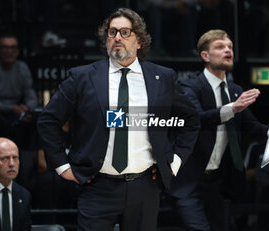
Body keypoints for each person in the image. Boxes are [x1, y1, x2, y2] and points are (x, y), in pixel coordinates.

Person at [37, 8, 199, 231]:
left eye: (124, 32)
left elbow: (190, 119)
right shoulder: (83, 77)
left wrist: (175, 161)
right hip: (96, 186)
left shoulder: (162, 77)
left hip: (145, 186)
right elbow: (48, 121)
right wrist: (62, 166)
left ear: (139, 41)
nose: (117, 38)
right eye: (112, 33)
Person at [169, 29, 269, 231]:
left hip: (218, 183)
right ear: (205, 55)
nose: (227, 50)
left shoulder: (235, 90)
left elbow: (251, 126)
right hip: (188, 181)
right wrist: (233, 108)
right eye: (220, 47)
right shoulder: (189, 87)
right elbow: (197, 119)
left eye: (230, 46)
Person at [0, 33, 37, 144]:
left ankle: (31, 158)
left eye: (12, 47)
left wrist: (26, 109)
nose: (9, 51)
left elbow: (31, 95)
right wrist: (10, 108)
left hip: (17, 112)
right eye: (5, 47)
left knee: (36, 117)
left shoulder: (22, 67)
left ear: (17, 51)